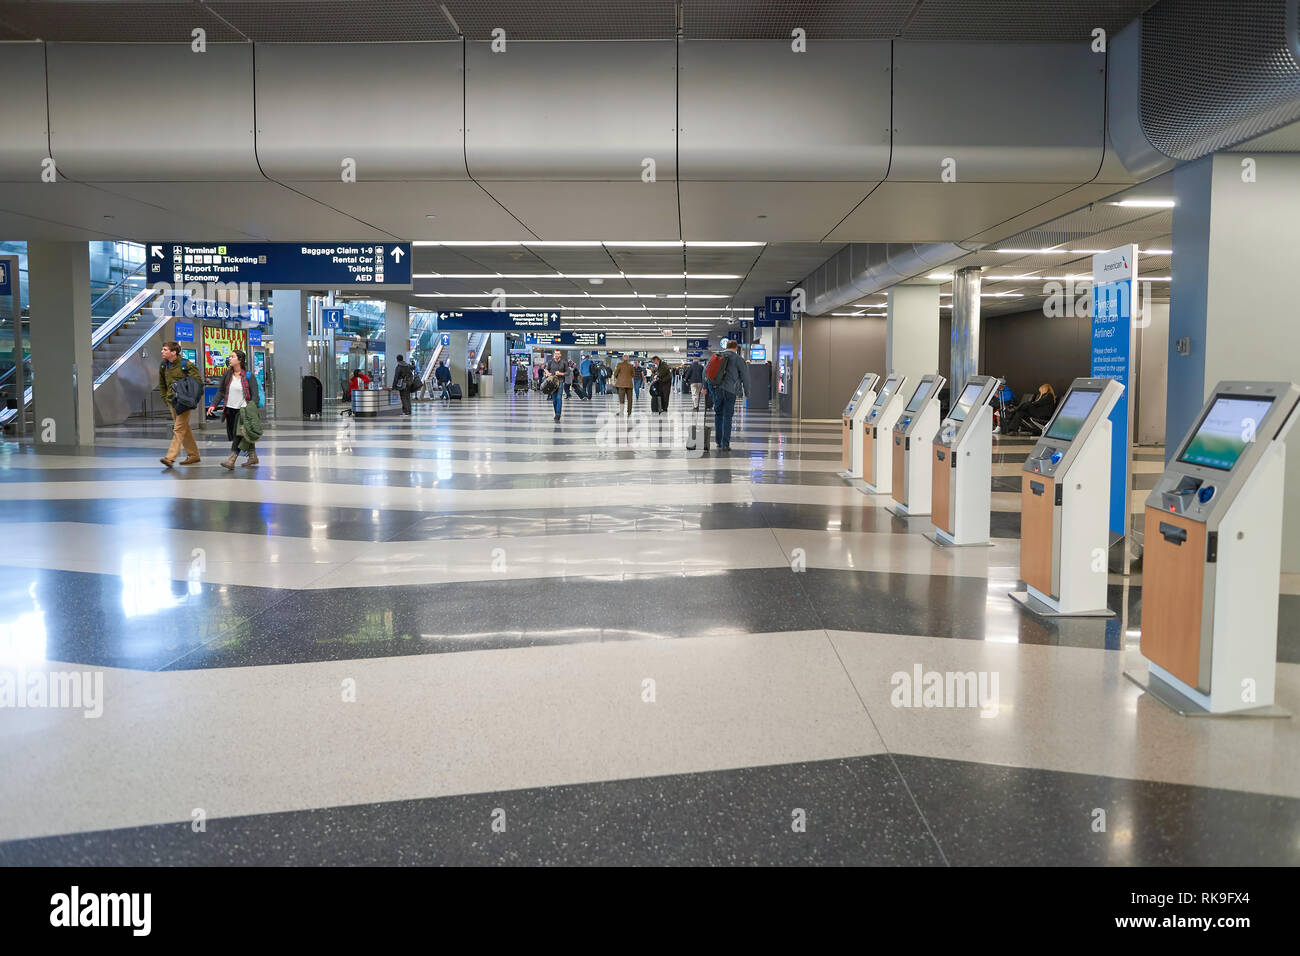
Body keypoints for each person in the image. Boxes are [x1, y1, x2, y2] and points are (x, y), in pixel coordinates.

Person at [207, 349, 263, 468]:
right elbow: (221, 392)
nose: (229, 359)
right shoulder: (227, 375)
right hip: (229, 409)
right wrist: (213, 405)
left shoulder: (248, 376)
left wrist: (251, 410)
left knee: (238, 436)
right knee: (239, 434)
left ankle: (231, 460)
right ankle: (253, 457)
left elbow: (255, 396)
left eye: (232, 357)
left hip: (243, 411)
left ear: (240, 360)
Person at [158, 341, 203, 468]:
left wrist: (187, 394)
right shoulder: (163, 366)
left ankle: (170, 458)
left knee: (178, 428)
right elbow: (162, 383)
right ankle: (194, 455)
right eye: (163, 349)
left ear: (174, 352)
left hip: (184, 402)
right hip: (171, 401)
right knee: (184, 428)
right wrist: (165, 398)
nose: (162, 352)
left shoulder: (186, 365)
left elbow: (197, 382)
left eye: (165, 349)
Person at [712, 340, 749, 451]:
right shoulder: (738, 359)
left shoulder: (717, 356)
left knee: (718, 414)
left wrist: (706, 388)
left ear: (726, 346)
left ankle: (718, 442)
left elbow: (706, 372)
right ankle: (725, 444)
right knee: (727, 416)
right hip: (730, 391)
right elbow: (745, 377)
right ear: (736, 348)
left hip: (717, 389)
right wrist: (747, 392)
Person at [544, 349, 566, 421]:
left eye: (558, 354)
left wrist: (561, 373)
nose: (556, 355)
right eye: (555, 354)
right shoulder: (550, 362)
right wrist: (547, 373)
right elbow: (546, 369)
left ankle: (558, 414)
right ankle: (556, 412)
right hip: (552, 383)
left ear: (560, 355)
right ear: (554, 355)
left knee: (559, 397)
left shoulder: (563, 362)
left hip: (560, 381)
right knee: (554, 399)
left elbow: (567, 372)